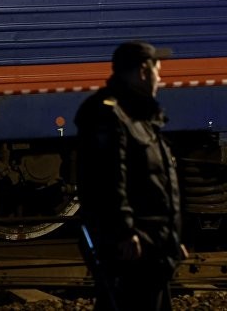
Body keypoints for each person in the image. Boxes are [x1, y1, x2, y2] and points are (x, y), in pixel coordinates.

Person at [76, 41, 186, 311]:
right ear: (142, 72)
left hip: (153, 245)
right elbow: (109, 178)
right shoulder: (108, 114)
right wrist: (124, 232)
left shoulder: (141, 115)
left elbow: (157, 180)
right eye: (158, 71)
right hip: (133, 247)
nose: (161, 79)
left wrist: (171, 240)